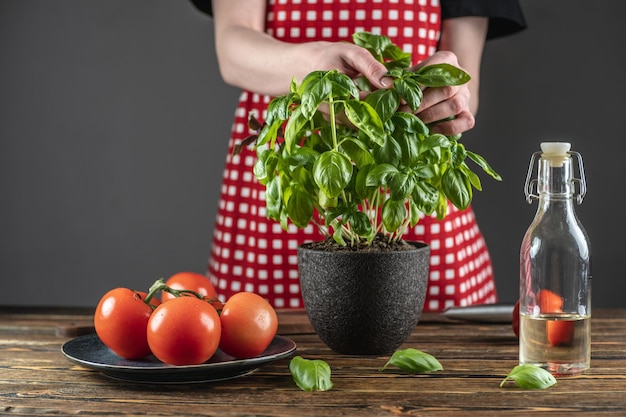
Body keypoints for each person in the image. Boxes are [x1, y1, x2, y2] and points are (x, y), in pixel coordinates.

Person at [191, 0, 526, 311]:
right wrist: (314, 70)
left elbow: (465, 83)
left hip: (411, 190)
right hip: (284, 176)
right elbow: (232, 45)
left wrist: (445, 91)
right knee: (255, 346)